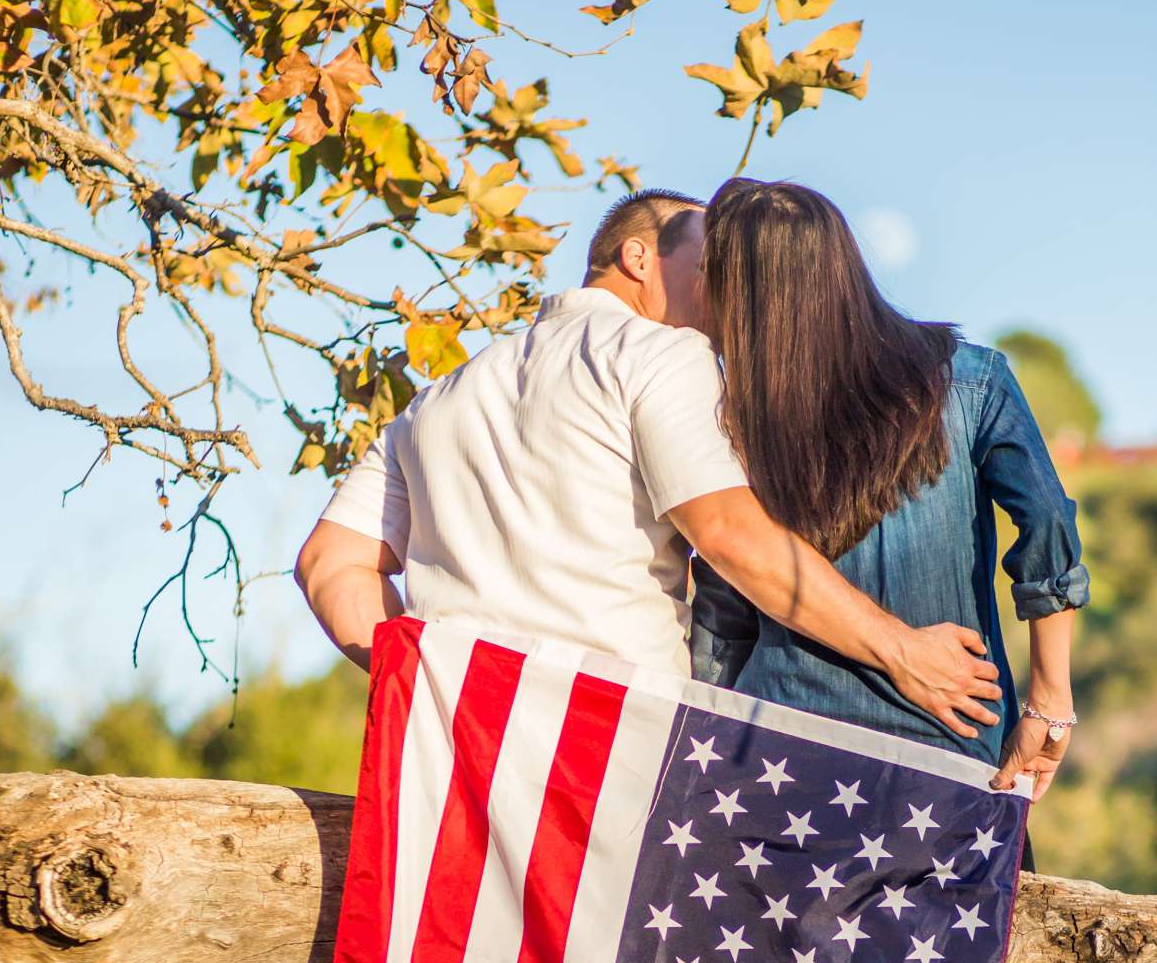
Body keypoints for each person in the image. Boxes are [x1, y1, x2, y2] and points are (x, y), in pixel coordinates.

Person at [691, 177, 1136, 963]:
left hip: (781, 774)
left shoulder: (727, 415)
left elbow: (720, 615)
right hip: (949, 765)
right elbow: (1045, 539)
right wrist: (1045, 709)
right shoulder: (970, 374)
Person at [294, 188, 1002, 749]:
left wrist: (436, 680)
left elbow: (329, 564)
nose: (729, 298)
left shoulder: (439, 397)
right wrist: (901, 650)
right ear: (639, 259)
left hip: (459, 739)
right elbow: (728, 533)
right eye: (709, 269)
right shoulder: (660, 355)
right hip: (612, 741)